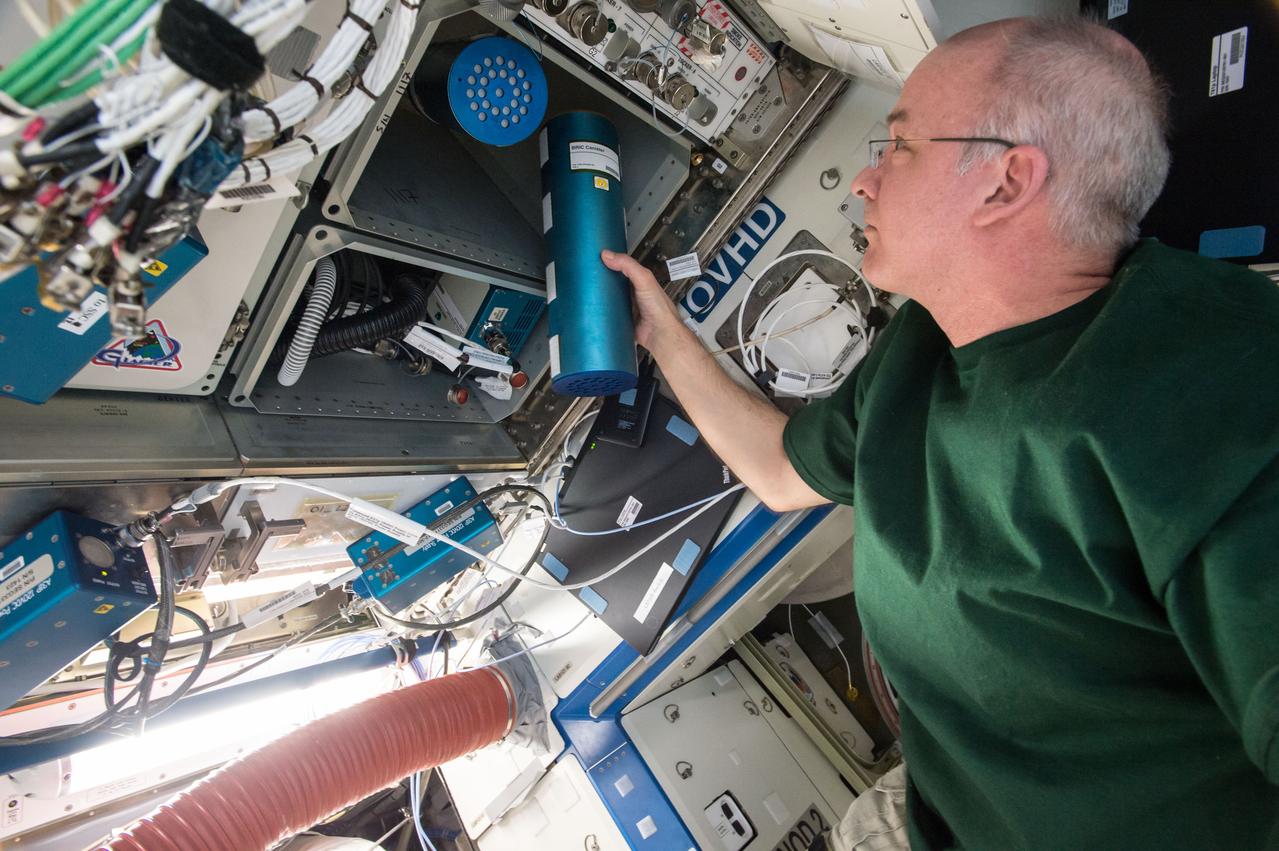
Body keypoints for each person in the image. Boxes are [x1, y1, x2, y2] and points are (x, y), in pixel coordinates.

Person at [601, 14, 1279, 850]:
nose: (863, 180)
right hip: (940, 800)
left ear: (1004, 183)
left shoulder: (1224, 388)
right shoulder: (927, 344)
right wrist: (661, 332)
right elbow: (781, 473)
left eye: (897, 148)